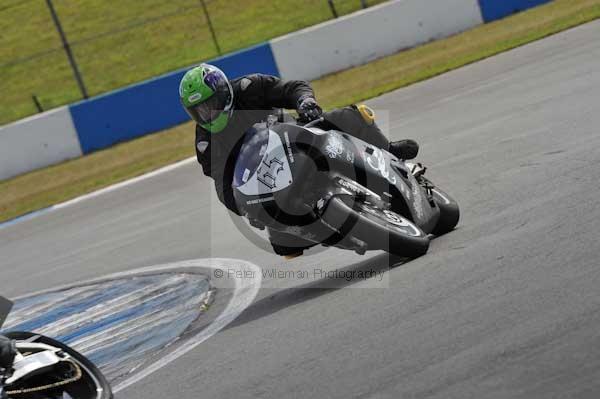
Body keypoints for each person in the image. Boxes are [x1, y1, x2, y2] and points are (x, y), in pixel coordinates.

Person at [179, 64, 419, 256]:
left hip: (297, 137)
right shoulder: (206, 142)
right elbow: (222, 184)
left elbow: (292, 88)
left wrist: (305, 102)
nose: (206, 114)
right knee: (284, 245)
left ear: (223, 92)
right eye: (198, 111)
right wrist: (242, 207)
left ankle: (390, 152)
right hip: (270, 181)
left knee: (351, 115)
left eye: (209, 105)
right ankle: (339, 233)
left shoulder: (249, 87)